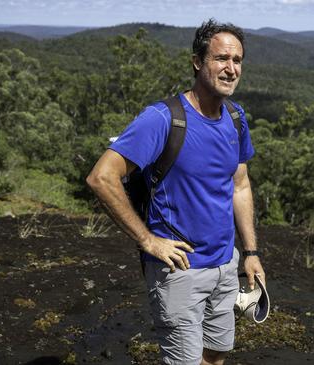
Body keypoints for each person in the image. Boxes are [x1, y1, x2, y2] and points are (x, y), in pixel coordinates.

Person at [86, 19, 265, 365]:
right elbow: (101, 177)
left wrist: (251, 252)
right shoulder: (163, 118)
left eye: (237, 60)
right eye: (221, 59)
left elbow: (239, 184)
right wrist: (147, 240)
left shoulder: (235, 118)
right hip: (179, 270)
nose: (231, 69)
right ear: (197, 62)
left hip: (225, 265)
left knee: (216, 353)